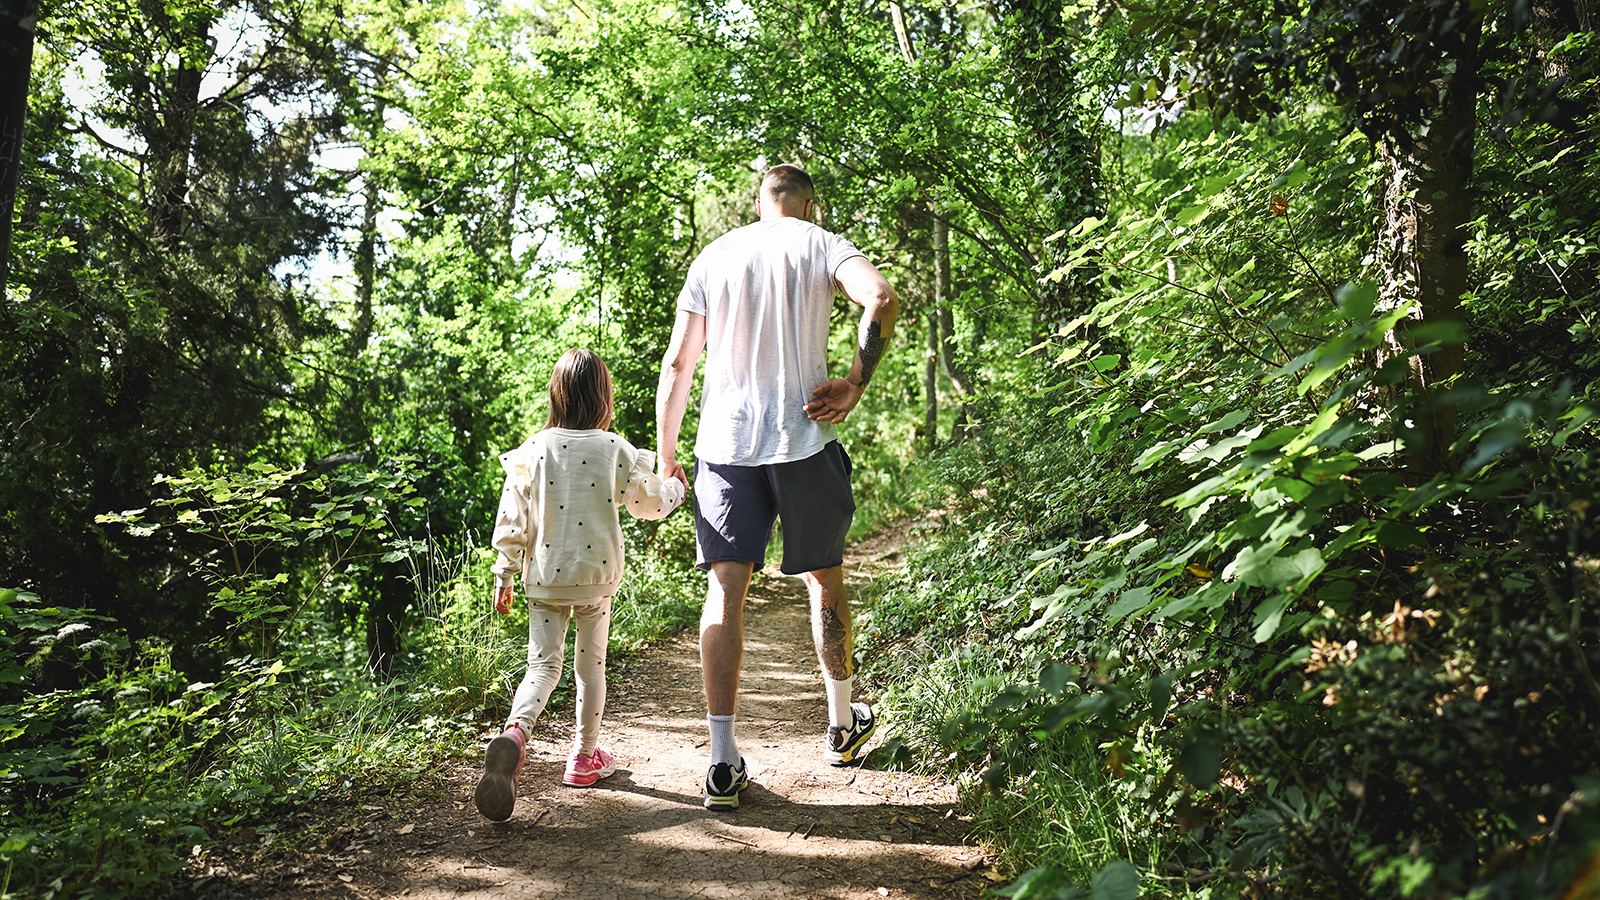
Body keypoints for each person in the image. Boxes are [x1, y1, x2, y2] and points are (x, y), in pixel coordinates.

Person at [655, 164, 899, 811]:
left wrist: (667, 453)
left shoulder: (717, 254)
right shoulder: (822, 244)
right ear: (809, 205)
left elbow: (679, 362)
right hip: (805, 440)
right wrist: (855, 381)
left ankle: (720, 763)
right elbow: (880, 297)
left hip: (725, 448)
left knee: (724, 590)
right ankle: (842, 728)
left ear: (759, 203)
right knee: (826, 578)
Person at [476, 348, 686, 822]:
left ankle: (515, 733)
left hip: (546, 577)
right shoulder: (614, 448)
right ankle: (583, 757)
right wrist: (675, 487)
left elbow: (513, 518)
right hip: (595, 581)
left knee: (542, 665)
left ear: (558, 395)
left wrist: (504, 574)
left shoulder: (535, 448)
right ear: (603, 397)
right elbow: (647, 504)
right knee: (590, 668)